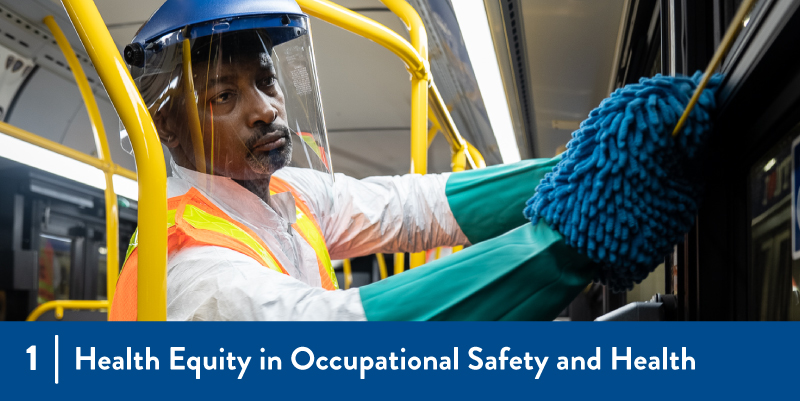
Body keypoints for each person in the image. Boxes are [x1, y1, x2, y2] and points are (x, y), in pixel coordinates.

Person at [110, 0, 596, 321]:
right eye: (223, 97)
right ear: (168, 131)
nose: (265, 109)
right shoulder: (194, 274)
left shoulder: (289, 194)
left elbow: (409, 208)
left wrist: (585, 169)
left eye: (267, 81)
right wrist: (565, 250)